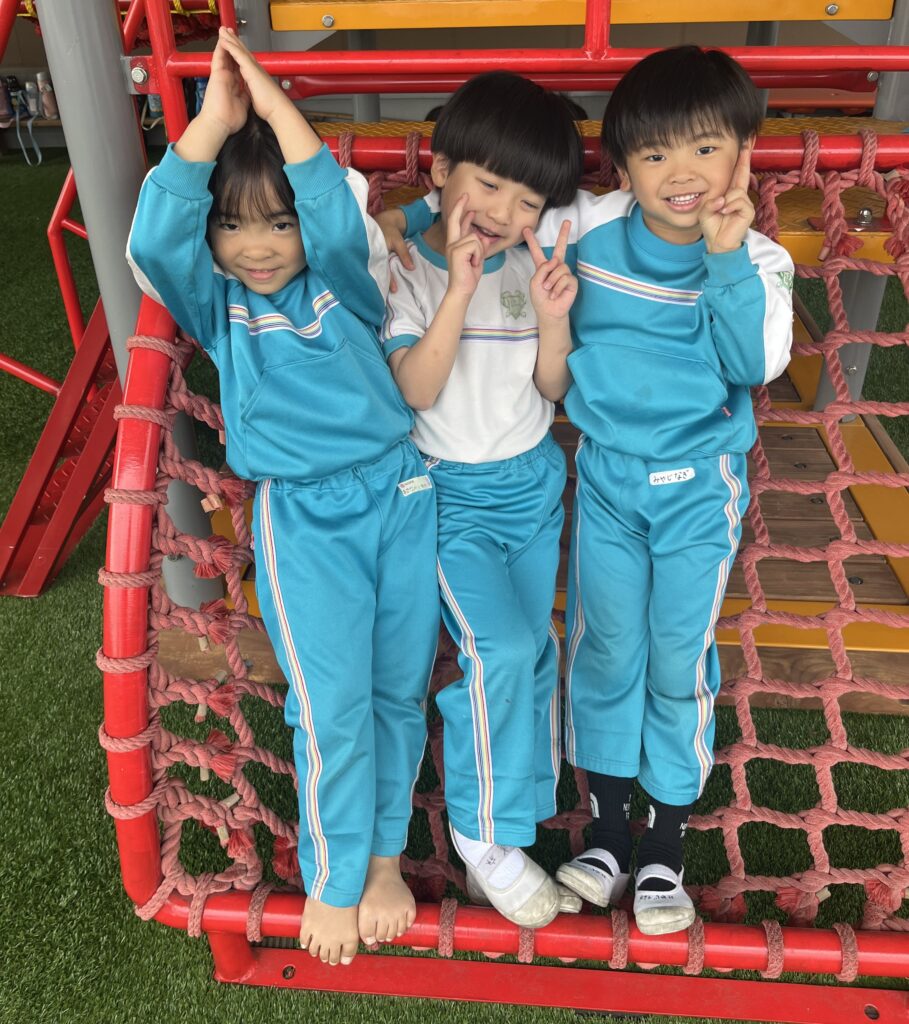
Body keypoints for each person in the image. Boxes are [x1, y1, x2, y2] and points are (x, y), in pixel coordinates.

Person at [387, 46, 794, 936]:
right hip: (602, 479)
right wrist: (404, 215)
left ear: (744, 152)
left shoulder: (760, 260)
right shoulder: (586, 222)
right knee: (600, 647)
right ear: (620, 167)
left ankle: (664, 847)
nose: (680, 174)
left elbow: (755, 363)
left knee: (674, 655)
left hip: (695, 490)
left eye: (706, 149)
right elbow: (497, 191)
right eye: (654, 154)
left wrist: (726, 255)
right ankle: (606, 835)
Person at [127, 28, 440, 966]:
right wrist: (215, 123)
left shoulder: (345, 280)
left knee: (396, 694)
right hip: (304, 517)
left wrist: (272, 105)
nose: (256, 247)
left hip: (400, 492)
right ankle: (336, 880)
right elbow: (156, 237)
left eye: (276, 224)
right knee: (331, 705)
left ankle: (382, 862)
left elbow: (335, 214)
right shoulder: (219, 307)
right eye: (232, 226)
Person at [379, 72, 583, 928]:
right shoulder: (403, 268)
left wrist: (552, 317)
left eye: (526, 200)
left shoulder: (531, 262)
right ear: (440, 172)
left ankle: (517, 821)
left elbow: (552, 386)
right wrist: (456, 284)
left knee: (534, 652)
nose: (503, 211)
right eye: (489, 184)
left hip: (531, 483)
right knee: (496, 650)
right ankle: (480, 834)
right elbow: (417, 390)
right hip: (449, 497)